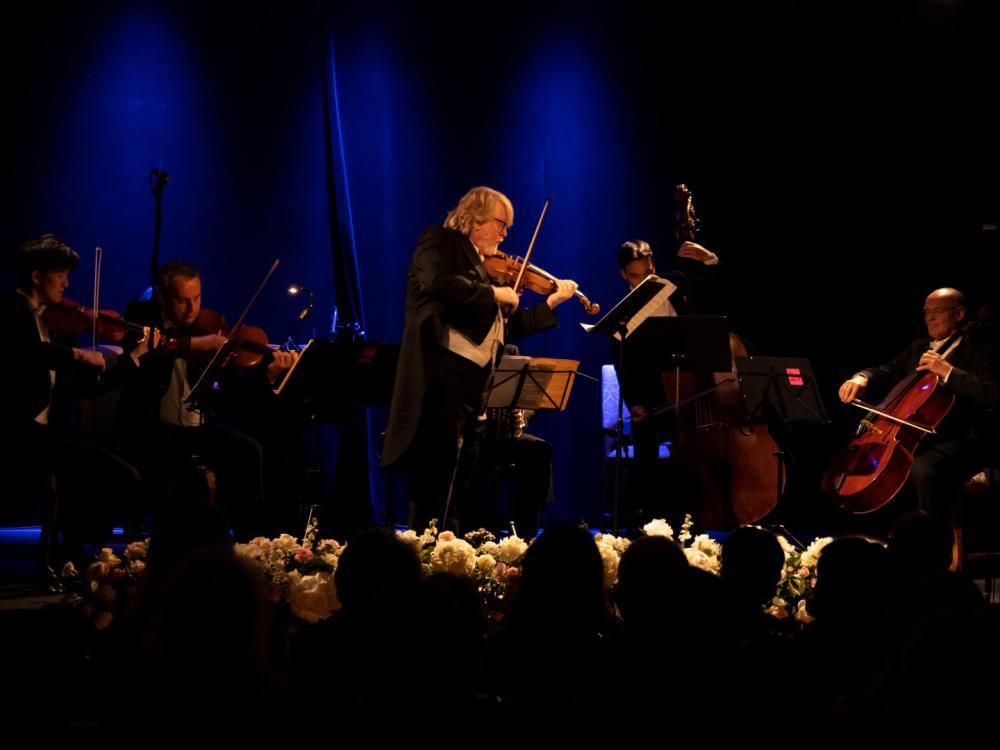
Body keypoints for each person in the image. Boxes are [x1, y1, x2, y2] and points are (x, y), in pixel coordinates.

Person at [381, 186, 577, 532]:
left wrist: (550, 305)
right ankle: (424, 549)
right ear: (476, 222)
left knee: (462, 479)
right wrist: (494, 292)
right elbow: (438, 282)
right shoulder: (439, 240)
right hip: (443, 376)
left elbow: (504, 329)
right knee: (437, 476)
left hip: (475, 386)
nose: (505, 235)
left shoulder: (486, 270)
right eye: (502, 225)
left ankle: (450, 548)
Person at [1, 234, 149, 572]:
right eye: (60, 275)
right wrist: (78, 354)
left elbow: (90, 389)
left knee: (126, 477)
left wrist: (134, 358)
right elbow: (29, 353)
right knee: (76, 461)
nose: (66, 283)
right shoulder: (9, 311)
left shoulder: (57, 323)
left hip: (54, 432)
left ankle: (86, 548)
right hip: (19, 429)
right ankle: (64, 555)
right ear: (36, 276)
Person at [116, 260, 297, 538]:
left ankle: (249, 538)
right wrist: (200, 343)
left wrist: (268, 375)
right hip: (152, 431)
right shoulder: (144, 321)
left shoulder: (208, 328)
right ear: (162, 298)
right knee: (187, 475)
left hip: (194, 431)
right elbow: (157, 348)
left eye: (197, 298)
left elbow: (236, 394)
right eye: (182, 300)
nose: (192, 309)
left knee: (248, 450)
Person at [837, 287, 998, 516]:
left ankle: (929, 533)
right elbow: (885, 370)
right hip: (919, 436)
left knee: (922, 468)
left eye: (938, 311)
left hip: (961, 438)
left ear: (959, 314)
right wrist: (861, 378)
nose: (930, 318)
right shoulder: (919, 348)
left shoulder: (980, 352)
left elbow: (992, 395)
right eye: (926, 312)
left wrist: (948, 372)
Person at [611, 238, 723, 527]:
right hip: (649, 396)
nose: (643, 281)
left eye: (648, 273)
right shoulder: (622, 312)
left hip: (690, 389)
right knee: (645, 458)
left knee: (696, 453)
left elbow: (716, 286)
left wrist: (708, 257)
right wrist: (633, 402)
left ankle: (694, 515)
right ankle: (646, 520)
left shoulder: (674, 282)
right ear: (623, 275)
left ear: (654, 266)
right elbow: (623, 364)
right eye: (635, 276)